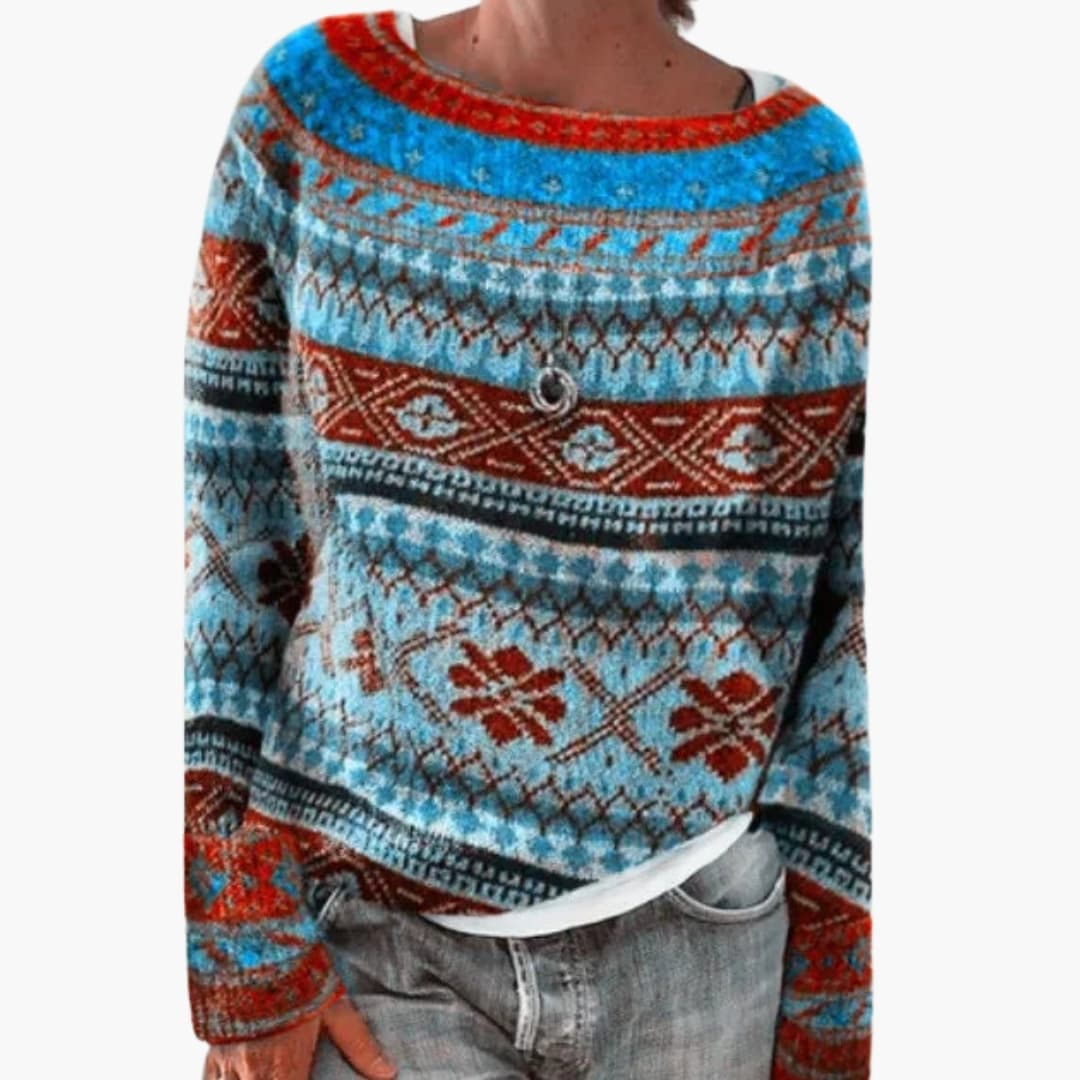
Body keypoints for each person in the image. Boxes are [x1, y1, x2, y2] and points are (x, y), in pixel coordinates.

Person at [182, 2, 872, 1078]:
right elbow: (233, 530)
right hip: (374, 947)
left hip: (701, 948)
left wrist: (830, 999)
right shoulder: (318, 107)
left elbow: (843, 614)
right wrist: (241, 930)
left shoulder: (797, 180)